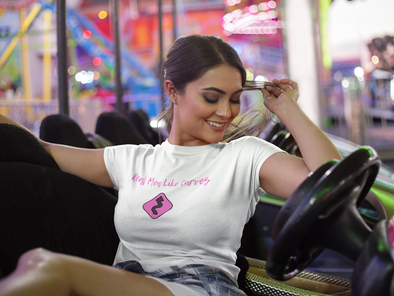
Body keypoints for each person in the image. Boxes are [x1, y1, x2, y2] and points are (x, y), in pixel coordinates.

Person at [0, 34, 342, 296]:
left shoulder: (246, 155)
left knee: (48, 267)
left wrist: (288, 108)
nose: (225, 112)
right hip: (131, 282)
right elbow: (39, 147)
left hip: (202, 287)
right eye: (212, 97)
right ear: (173, 91)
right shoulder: (131, 159)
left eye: (235, 99)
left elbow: (334, 183)